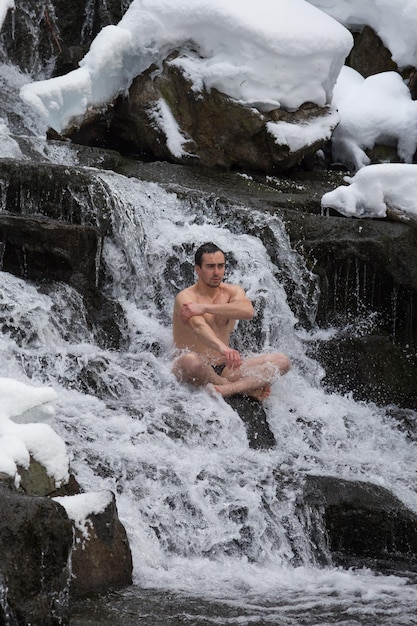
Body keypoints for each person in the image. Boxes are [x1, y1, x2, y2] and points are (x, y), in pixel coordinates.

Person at [172, 242, 291, 400]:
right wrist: (224, 348)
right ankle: (242, 388)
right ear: (198, 269)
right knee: (191, 362)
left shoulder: (233, 291)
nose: (217, 272)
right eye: (210, 266)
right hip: (196, 365)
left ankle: (229, 388)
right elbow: (200, 328)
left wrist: (205, 308)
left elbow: (247, 311)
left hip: (226, 366)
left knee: (282, 361)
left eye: (221, 266)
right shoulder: (185, 297)